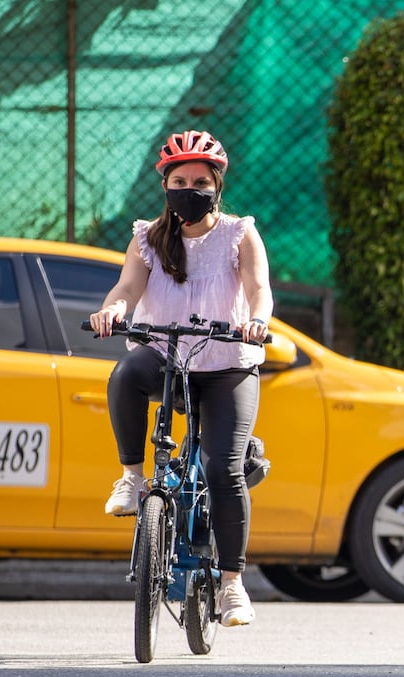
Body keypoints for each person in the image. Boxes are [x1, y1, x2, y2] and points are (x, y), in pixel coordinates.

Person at [89, 130, 273, 627]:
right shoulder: (149, 236)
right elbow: (127, 287)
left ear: (216, 185)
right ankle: (131, 478)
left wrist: (257, 320)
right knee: (126, 373)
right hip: (166, 356)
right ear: (166, 186)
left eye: (199, 180)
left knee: (223, 471)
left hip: (229, 364)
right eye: (179, 180)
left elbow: (260, 289)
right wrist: (113, 309)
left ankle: (233, 585)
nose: (189, 188)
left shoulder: (239, 234)